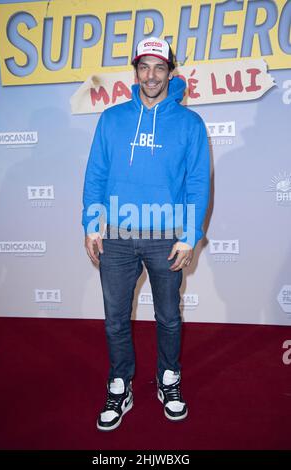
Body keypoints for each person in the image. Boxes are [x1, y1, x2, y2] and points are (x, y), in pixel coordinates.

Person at [82, 37, 210, 431]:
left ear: (170, 72)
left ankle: (169, 379)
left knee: (169, 317)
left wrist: (189, 235)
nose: (151, 75)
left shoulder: (189, 123)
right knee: (115, 319)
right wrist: (91, 223)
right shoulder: (111, 118)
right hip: (117, 238)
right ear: (135, 71)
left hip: (167, 237)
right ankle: (120, 384)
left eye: (159, 67)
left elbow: (197, 182)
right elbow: (96, 175)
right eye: (144, 67)